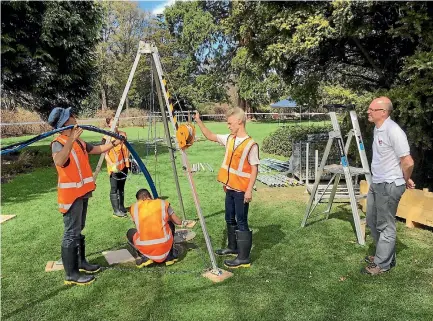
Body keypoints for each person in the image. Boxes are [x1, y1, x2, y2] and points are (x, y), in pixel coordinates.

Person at [48, 107, 123, 286]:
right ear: (65, 123)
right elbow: (59, 161)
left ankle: (81, 262)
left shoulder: (79, 141)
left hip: (82, 192)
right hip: (71, 195)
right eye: (71, 117)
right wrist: (71, 139)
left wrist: (114, 143)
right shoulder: (58, 142)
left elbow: (96, 149)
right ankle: (71, 274)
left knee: (78, 229)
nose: (75, 118)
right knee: (71, 233)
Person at [194, 107, 259, 268]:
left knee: (241, 221)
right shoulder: (229, 139)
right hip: (229, 188)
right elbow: (210, 136)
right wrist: (198, 121)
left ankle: (243, 258)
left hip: (241, 191)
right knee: (229, 218)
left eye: (230, 123)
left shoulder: (251, 145)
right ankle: (232, 247)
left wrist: (249, 190)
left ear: (239, 121)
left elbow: (255, 168)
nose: (228, 126)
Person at [362, 97, 415, 275]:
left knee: (385, 225)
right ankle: (382, 255)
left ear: (383, 112)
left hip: (389, 184)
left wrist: (404, 178)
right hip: (377, 182)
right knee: (371, 219)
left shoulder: (394, 131)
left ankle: (382, 264)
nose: (368, 112)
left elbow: (408, 162)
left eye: (372, 109)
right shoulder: (379, 129)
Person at [126, 189, 182, 267]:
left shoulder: (134, 207)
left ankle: (145, 257)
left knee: (130, 232)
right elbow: (178, 222)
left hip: (145, 246)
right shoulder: (162, 203)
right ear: (150, 196)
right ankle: (170, 256)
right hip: (164, 246)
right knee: (170, 224)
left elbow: (139, 226)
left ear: (139, 199)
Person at [102, 117, 130, 218]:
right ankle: (116, 210)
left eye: (117, 120)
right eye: (113, 121)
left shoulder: (123, 134)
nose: (116, 122)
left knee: (121, 188)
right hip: (114, 168)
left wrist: (130, 161)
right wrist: (112, 165)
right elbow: (104, 154)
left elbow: (127, 149)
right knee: (114, 188)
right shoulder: (106, 138)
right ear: (109, 124)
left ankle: (121, 207)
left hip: (124, 166)